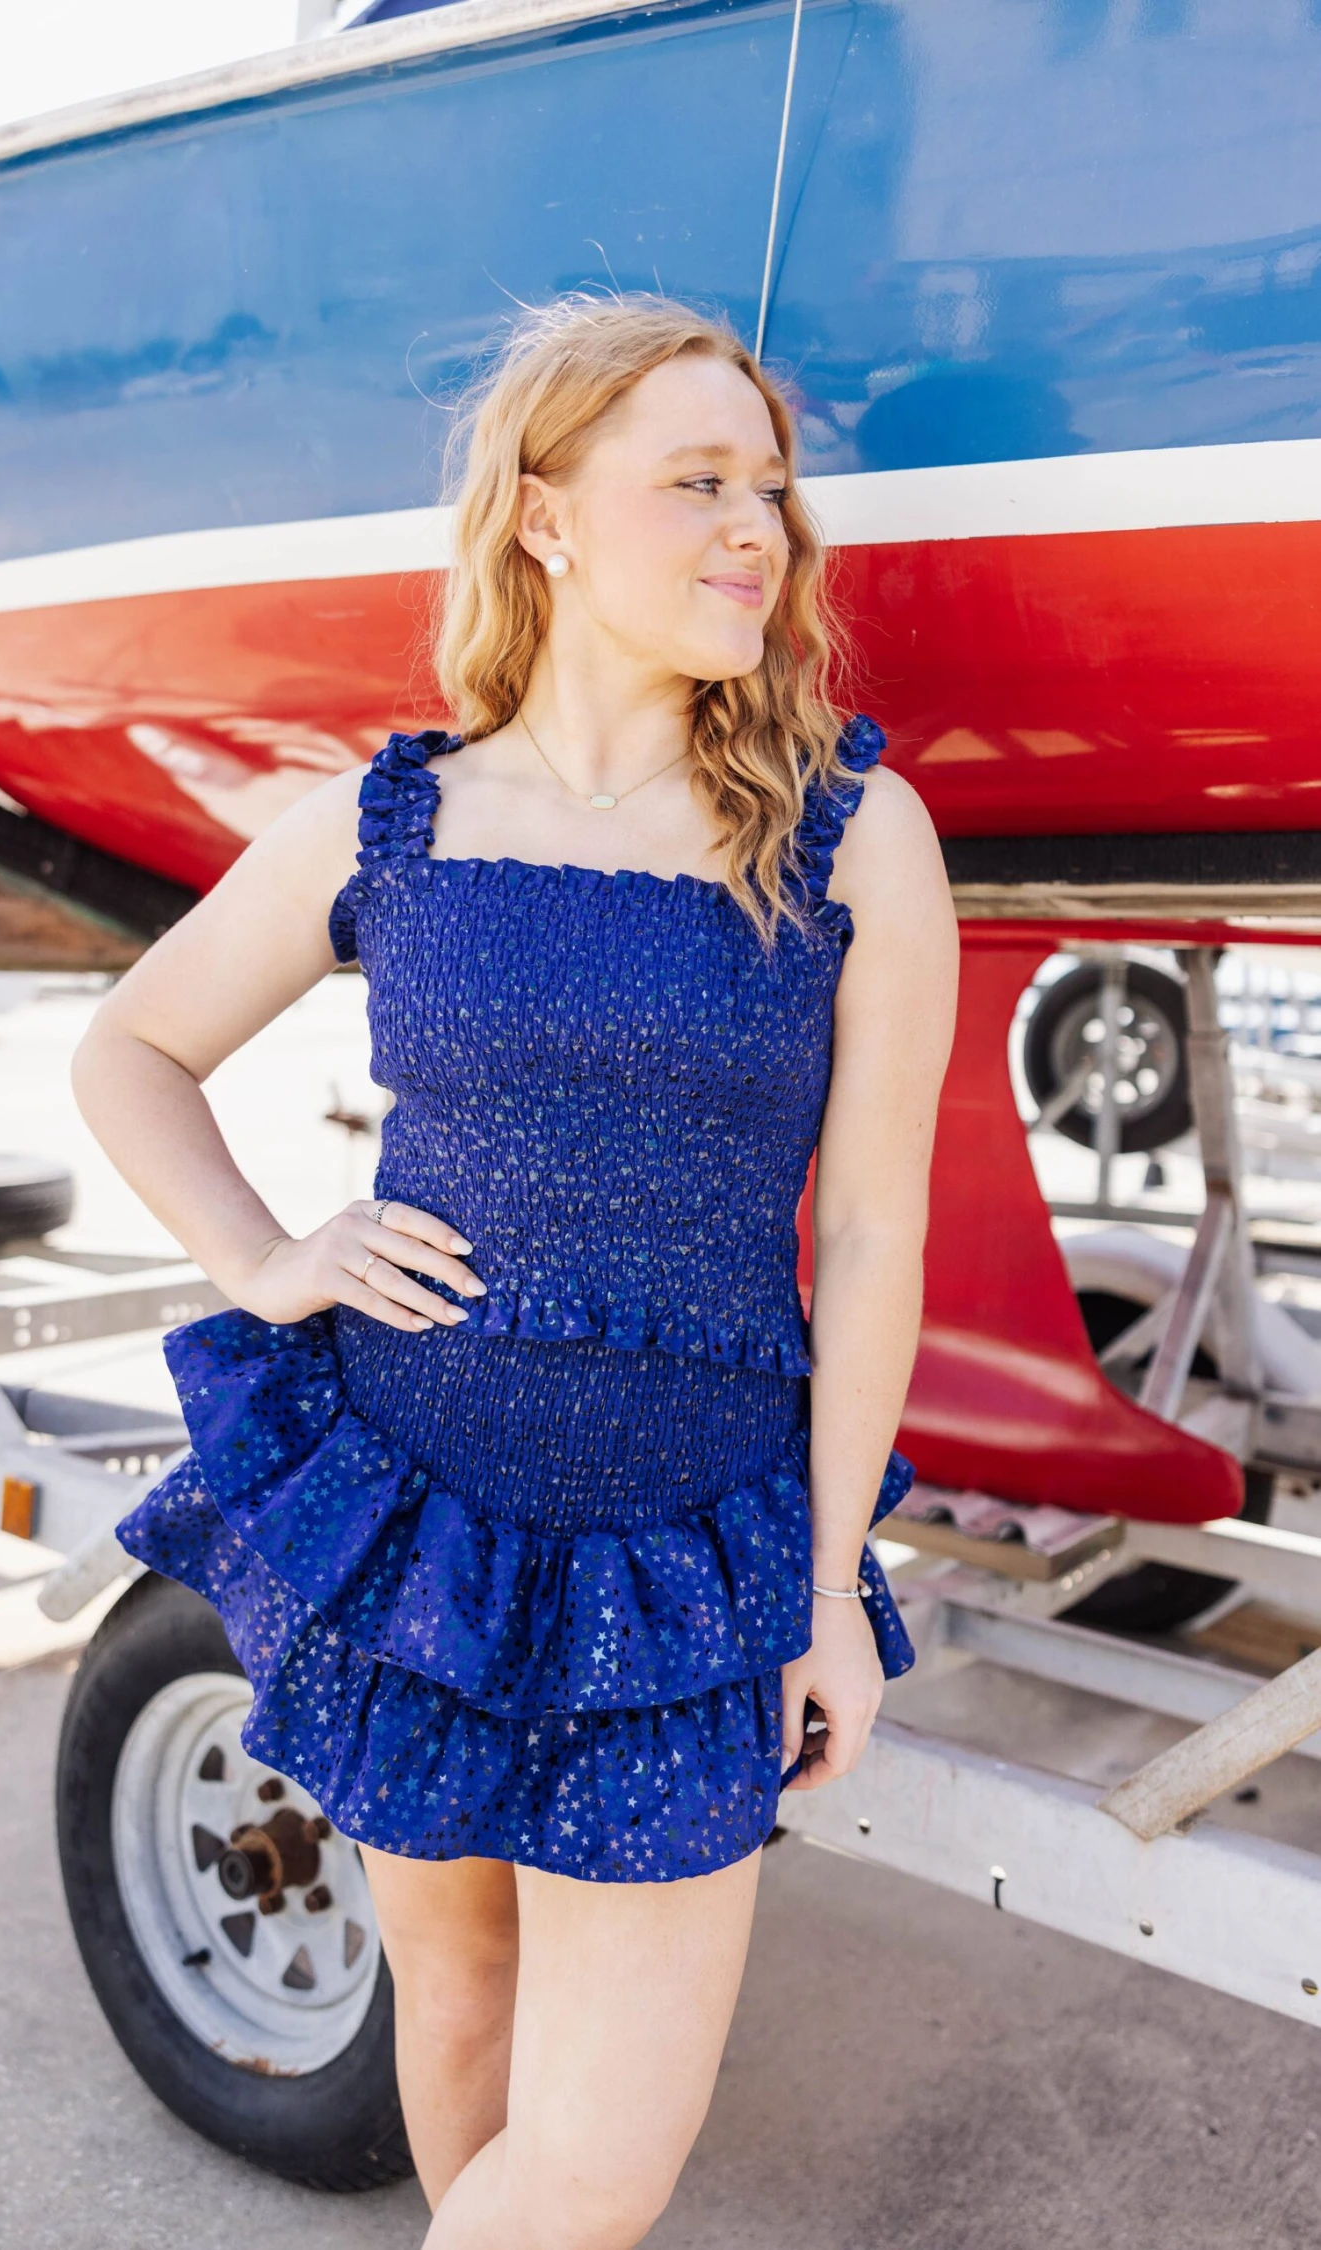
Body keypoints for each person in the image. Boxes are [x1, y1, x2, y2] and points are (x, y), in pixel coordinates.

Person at [73, 292, 958, 2248]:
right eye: (698, 482)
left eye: (772, 489)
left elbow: (876, 1229)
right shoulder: (393, 816)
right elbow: (129, 1047)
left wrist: (828, 1588)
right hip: (424, 1527)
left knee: (596, 2174)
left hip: (683, 1560)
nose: (758, 529)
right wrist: (267, 1253)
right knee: (459, 2002)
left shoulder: (851, 833)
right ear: (545, 515)